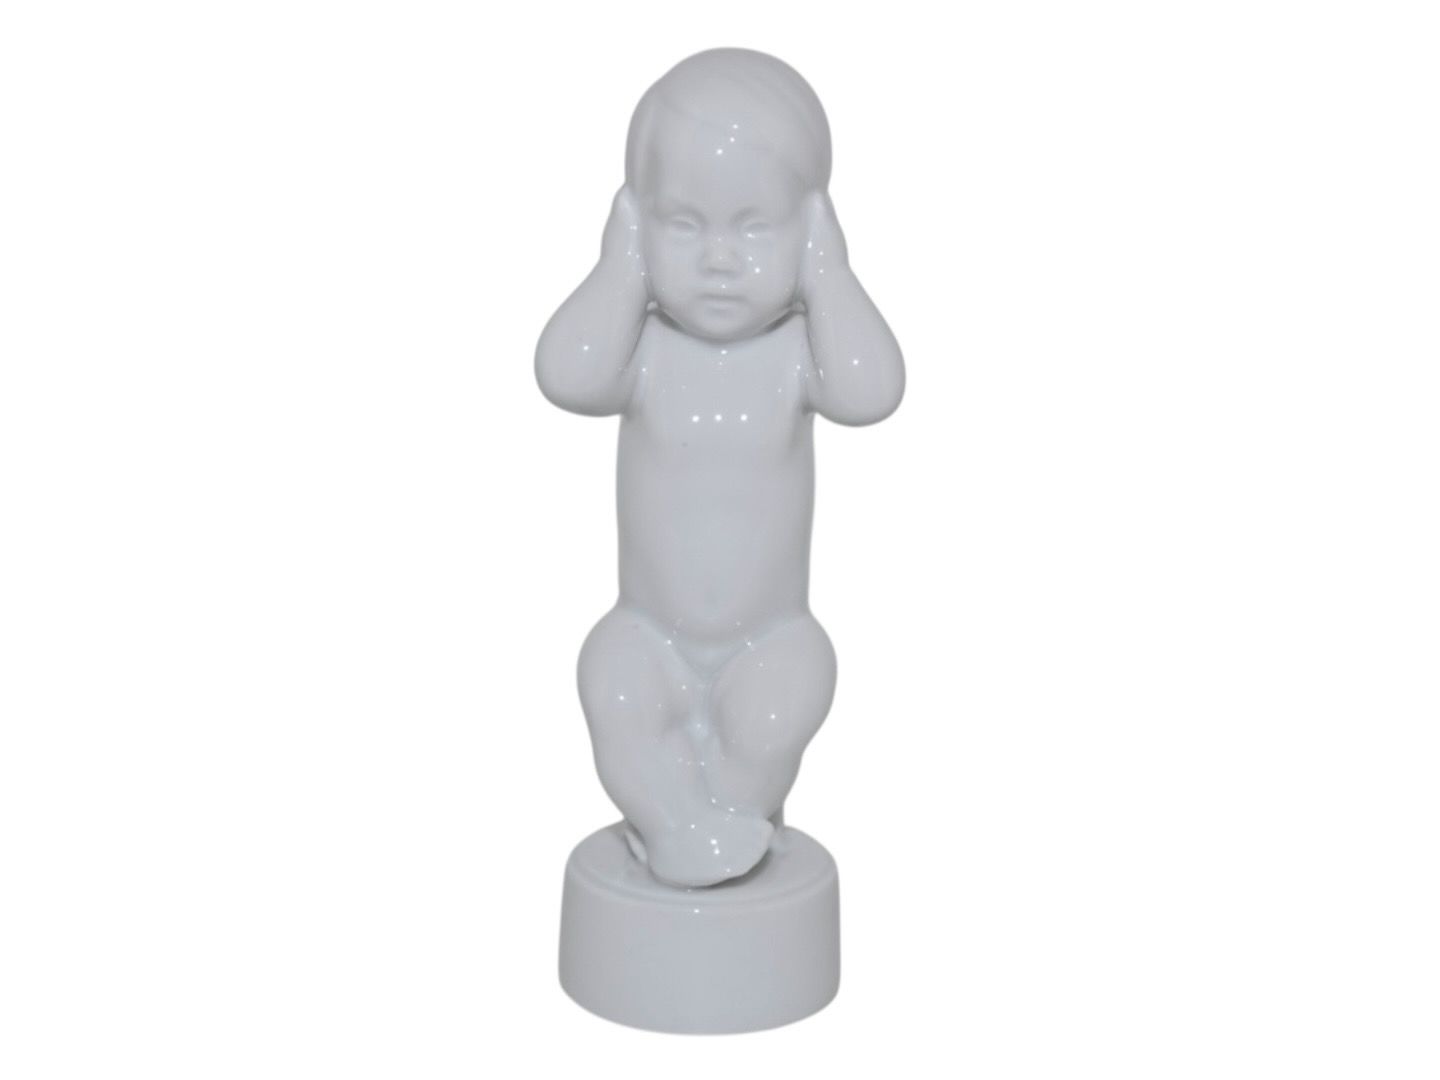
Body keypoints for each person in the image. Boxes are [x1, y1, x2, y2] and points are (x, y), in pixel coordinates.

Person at [537, 48, 904, 886]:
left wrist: (830, 273)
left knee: (778, 710)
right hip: (650, 635)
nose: (718, 257)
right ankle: (674, 825)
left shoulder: (796, 357)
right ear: (638, 222)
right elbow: (564, 372)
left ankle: (722, 824)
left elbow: (875, 391)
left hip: (769, 639)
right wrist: (620, 264)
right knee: (611, 684)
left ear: (810, 227)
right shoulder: (644, 352)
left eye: (755, 226)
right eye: (681, 224)